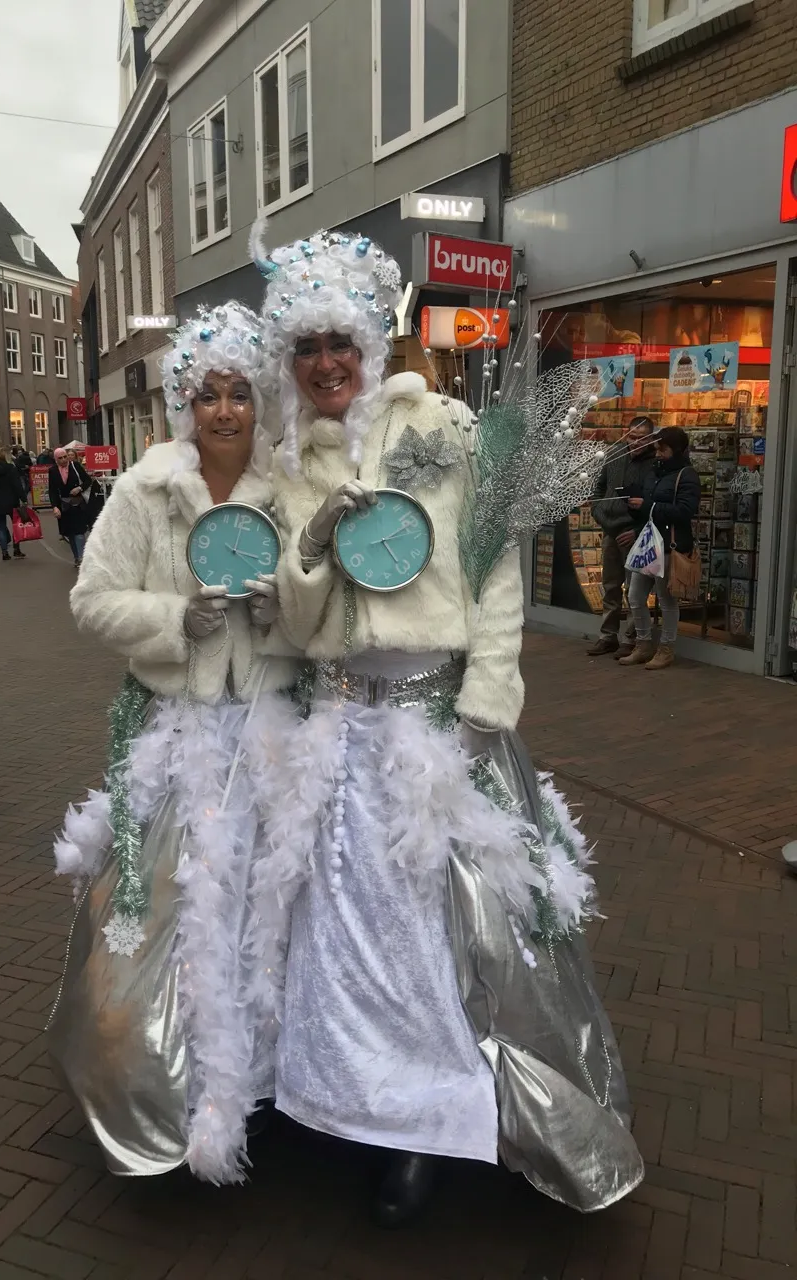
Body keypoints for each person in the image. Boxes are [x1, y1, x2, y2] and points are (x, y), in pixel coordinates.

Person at [253, 221, 642, 1225]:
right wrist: (312, 544)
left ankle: (431, 1125)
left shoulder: (444, 432)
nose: (328, 363)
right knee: (342, 932)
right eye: (308, 348)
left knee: (441, 939)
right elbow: (295, 627)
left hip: (438, 724)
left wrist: (485, 699)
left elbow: (497, 571)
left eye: (341, 342)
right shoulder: (288, 461)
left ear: (372, 346)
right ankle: (348, 1103)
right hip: (342, 727)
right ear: (289, 361)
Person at [47, 302, 301, 1184]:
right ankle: (160, 1088)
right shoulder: (144, 493)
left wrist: (285, 618)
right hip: (179, 738)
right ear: (184, 404)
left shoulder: (292, 493)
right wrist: (171, 619)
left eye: (240, 394)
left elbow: (328, 612)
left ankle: (268, 1086)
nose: (225, 411)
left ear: (262, 402)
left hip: (270, 735)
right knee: (169, 915)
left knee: (271, 916)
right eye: (208, 395)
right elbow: (92, 599)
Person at [619, 426, 701, 671]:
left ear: (676, 450)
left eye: (663, 449)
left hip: (669, 544)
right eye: (657, 448)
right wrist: (635, 506)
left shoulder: (687, 475)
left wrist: (648, 506)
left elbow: (685, 511)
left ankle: (666, 648)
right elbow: (647, 505)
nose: (658, 454)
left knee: (666, 600)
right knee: (634, 596)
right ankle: (643, 644)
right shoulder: (654, 472)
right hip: (648, 542)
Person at [587, 417, 657, 659]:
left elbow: (656, 503)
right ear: (626, 435)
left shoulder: (654, 464)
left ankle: (631, 638)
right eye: (632, 437)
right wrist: (598, 512)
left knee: (634, 590)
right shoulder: (614, 454)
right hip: (610, 528)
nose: (636, 443)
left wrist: (637, 531)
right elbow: (599, 486)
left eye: (642, 438)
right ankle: (608, 636)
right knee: (610, 586)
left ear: (651, 439)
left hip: (634, 534)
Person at [48, 446, 91, 566]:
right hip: (64, 505)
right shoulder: (53, 471)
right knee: (70, 533)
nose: (63, 460)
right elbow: (52, 490)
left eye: (65, 457)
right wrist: (55, 507)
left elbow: (88, 480)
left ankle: (82, 557)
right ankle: (77, 557)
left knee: (79, 531)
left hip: (78, 503)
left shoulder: (75, 466)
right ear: (56, 459)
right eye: (60, 458)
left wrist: (79, 488)